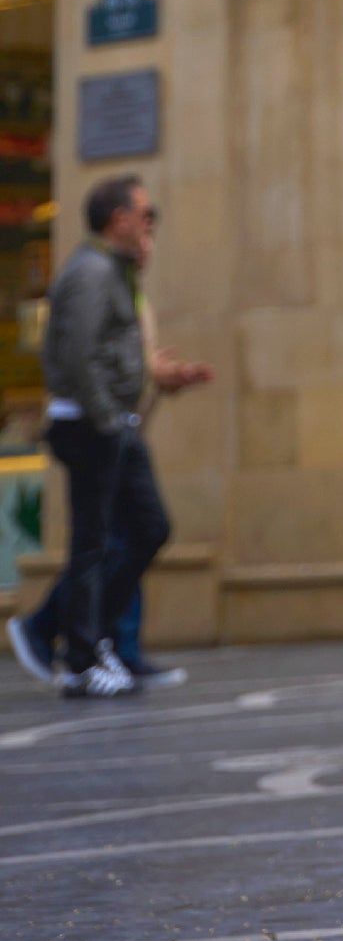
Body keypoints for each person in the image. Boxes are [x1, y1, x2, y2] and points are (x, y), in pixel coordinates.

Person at [35, 176, 209, 697]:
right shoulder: (91, 274)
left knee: (148, 527)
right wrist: (109, 419)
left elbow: (111, 354)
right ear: (119, 219)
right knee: (92, 543)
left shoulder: (111, 271)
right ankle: (84, 657)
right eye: (144, 213)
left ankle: (87, 639)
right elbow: (78, 357)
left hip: (111, 423)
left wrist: (148, 384)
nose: (150, 222)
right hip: (93, 425)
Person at [8, 273, 205, 689]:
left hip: (119, 429)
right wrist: (110, 418)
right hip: (102, 431)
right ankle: (62, 634)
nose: (149, 242)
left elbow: (123, 361)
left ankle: (111, 646)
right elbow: (87, 357)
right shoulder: (95, 282)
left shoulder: (123, 288)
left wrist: (156, 377)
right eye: (144, 226)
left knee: (131, 535)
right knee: (120, 537)